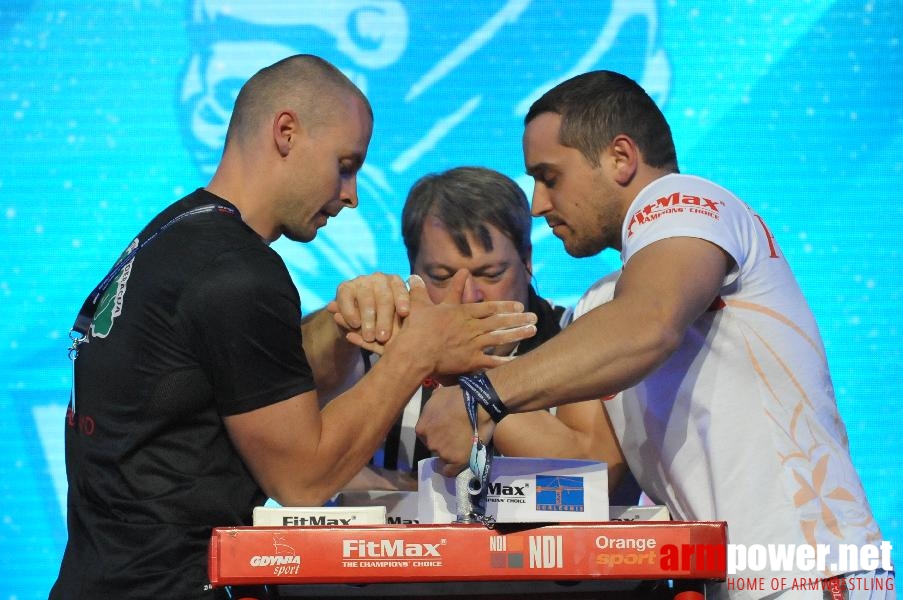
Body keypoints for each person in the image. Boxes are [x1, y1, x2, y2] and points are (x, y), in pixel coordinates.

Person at [49, 54, 538, 600]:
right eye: (345, 164)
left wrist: (343, 318)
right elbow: (303, 481)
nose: (351, 193)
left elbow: (247, 383)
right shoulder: (237, 271)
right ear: (286, 132)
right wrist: (416, 353)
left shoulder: (173, 234)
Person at [413, 71, 892, 598]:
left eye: (550, 176)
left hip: (807, 568)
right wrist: (467, 371)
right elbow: (594, 473)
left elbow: (650, 323)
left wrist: (482, 398)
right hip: (729, 581)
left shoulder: (685, 201)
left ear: (621, 158)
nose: (538, 203)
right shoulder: (599, 306)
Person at [336, 166, 625, 491]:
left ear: (527, 260)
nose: (469, 296)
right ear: (411, 269)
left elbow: (595, 479)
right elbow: (310, 472)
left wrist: (467, 375)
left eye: (490, 273)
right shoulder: (375, 344)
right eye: (441, 277)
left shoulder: (574, 335)